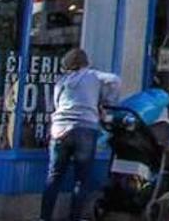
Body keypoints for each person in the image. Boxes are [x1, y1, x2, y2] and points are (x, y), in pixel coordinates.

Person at [40, 48, 118, 221]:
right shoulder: (94, 76)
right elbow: (114, 80)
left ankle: (44, 217)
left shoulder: (62, 81)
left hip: (60, 130)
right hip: (85, 127)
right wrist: (106, 103)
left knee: (54, 176)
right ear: (85, 62)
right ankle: (75, 217)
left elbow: (56, 104)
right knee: (81, 179)